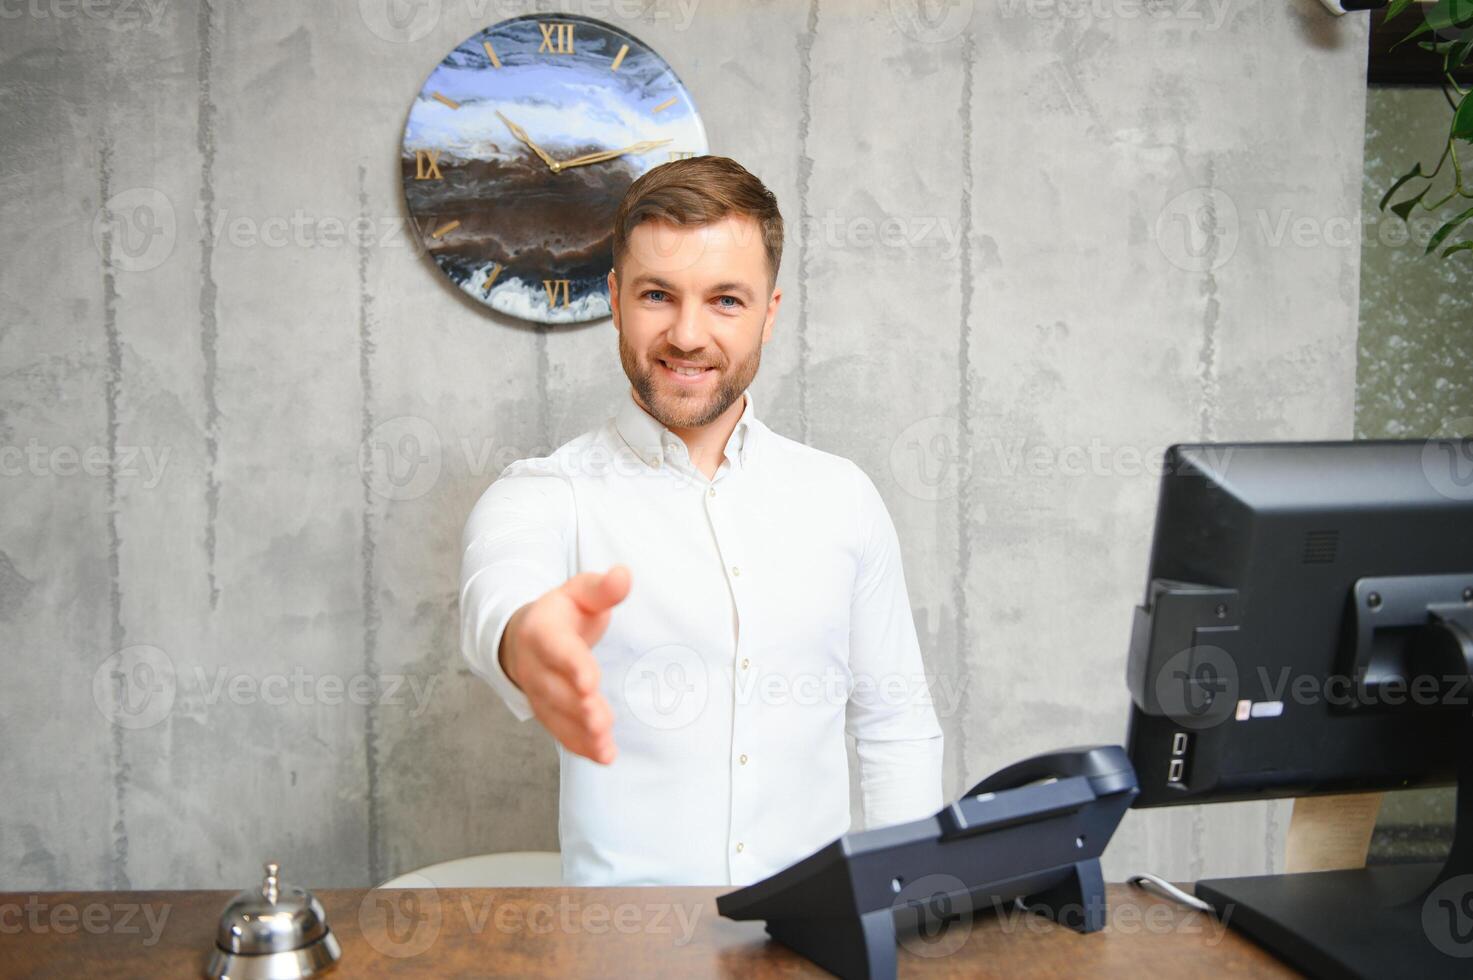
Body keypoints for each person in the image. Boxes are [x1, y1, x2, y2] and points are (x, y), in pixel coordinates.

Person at [459, 155, 943, 886]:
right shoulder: (544, 494)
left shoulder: (842, 497)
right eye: (658, 294)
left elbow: (894, 726)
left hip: (815, 948)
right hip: (622, 957)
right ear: (616, 298)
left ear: (768, 313)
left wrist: (911, 915)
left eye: (725, 300)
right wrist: (527, 644)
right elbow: (499, 598)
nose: (687, 336)